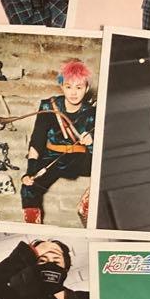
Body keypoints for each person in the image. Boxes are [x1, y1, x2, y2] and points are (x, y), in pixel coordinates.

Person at [19, 59, 95, 225]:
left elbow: (100, 150)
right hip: (52, 156)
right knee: (28, 187)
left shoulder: (92, 112)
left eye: (79, 87)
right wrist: (30, 172)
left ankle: (87, 204)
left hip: (80, 159)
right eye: (68, 87)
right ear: (62, 86)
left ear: (86, 88)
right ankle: (33, 227)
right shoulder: (49, 106)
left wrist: (91, 142)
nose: (73, 93)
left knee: (105, 172)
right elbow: (37, 140)